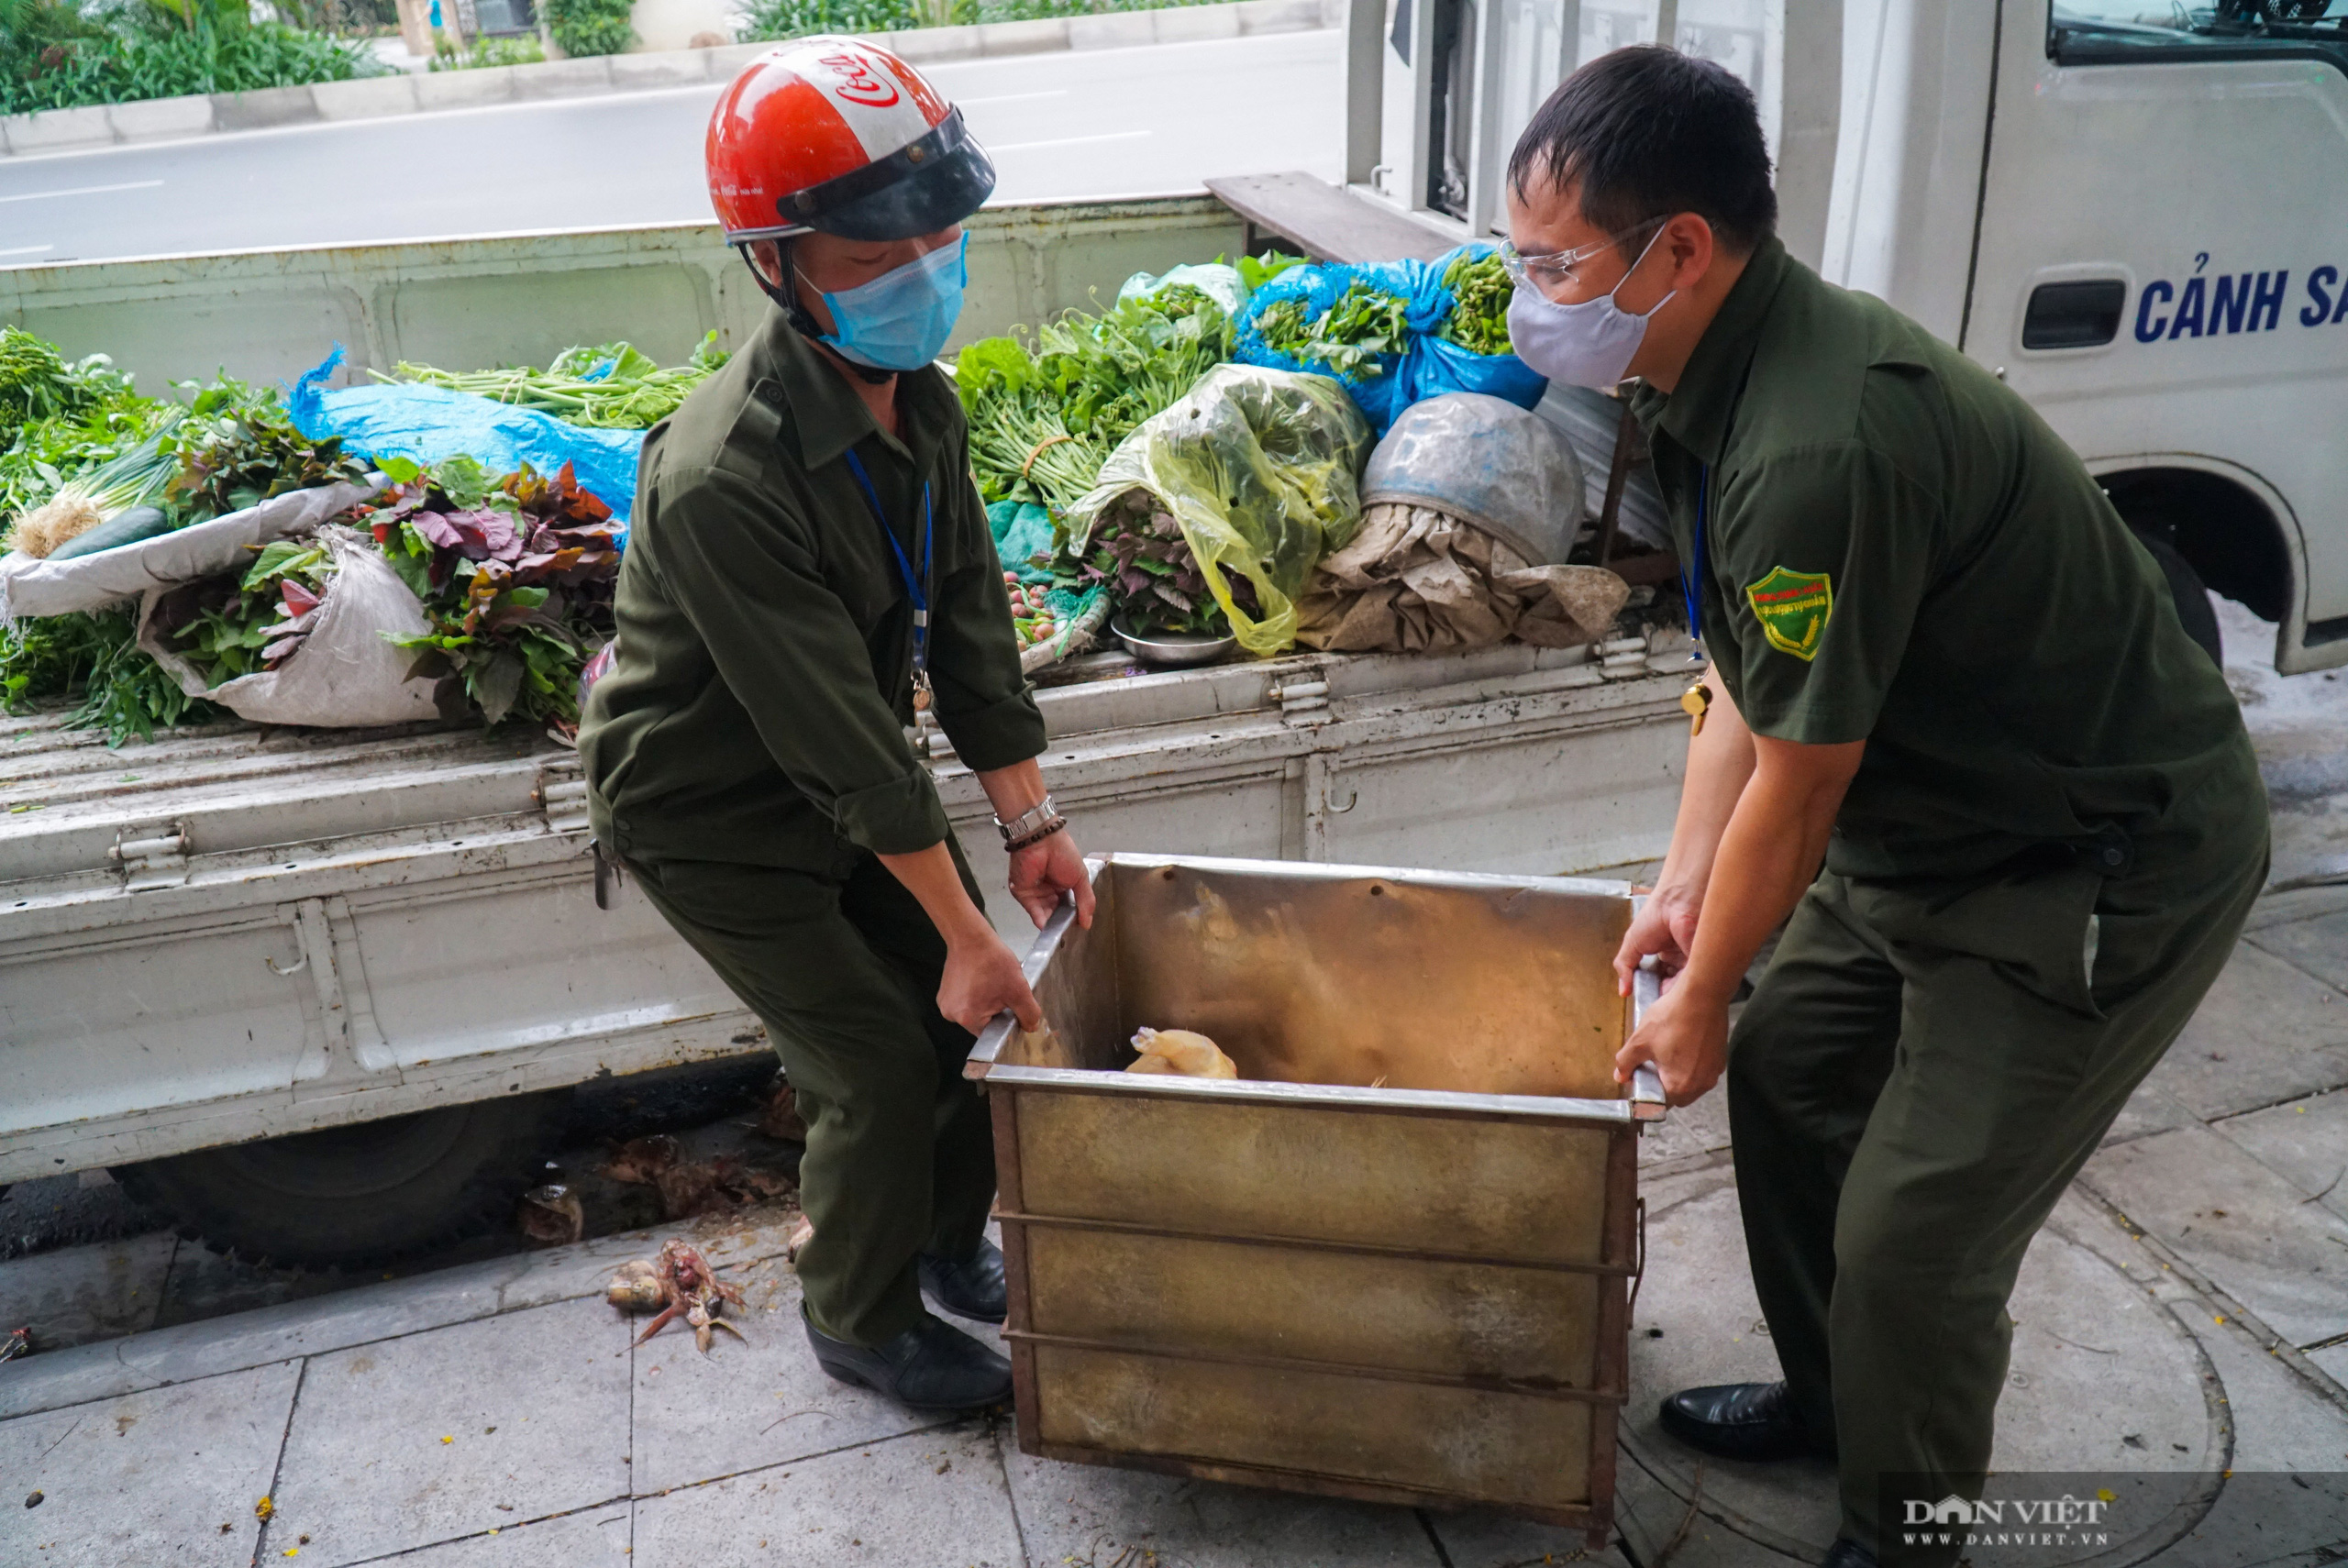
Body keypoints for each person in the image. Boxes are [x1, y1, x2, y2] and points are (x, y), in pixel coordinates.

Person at [1501, 46, 2268, 1568]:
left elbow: (1804, 776)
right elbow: (1747, 674)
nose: (1530, 296)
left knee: (1915, 1238)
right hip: (1929, 822)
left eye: (1551, 264)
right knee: (1795, 1073)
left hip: (2091, 858)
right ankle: (1839, 1398)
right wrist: (1679, 883)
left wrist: (1705, 983)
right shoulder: (1704, 369)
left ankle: (1905, 1526)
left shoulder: (1816, 433)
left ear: (1679, 251)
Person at [578, 37, 1095, 1414]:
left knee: (983, 1026)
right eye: (872, 253)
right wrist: (965, 928)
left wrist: (1031, 825)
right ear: (775, 262)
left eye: (938, 232)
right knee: (874, 1058)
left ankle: (933, 1239)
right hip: (716, 815)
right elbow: (838, 745)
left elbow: (972, 626)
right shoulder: (718, 477)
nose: (922, 266)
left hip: (843, 777)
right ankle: (859, 1319)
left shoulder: (919, 399)